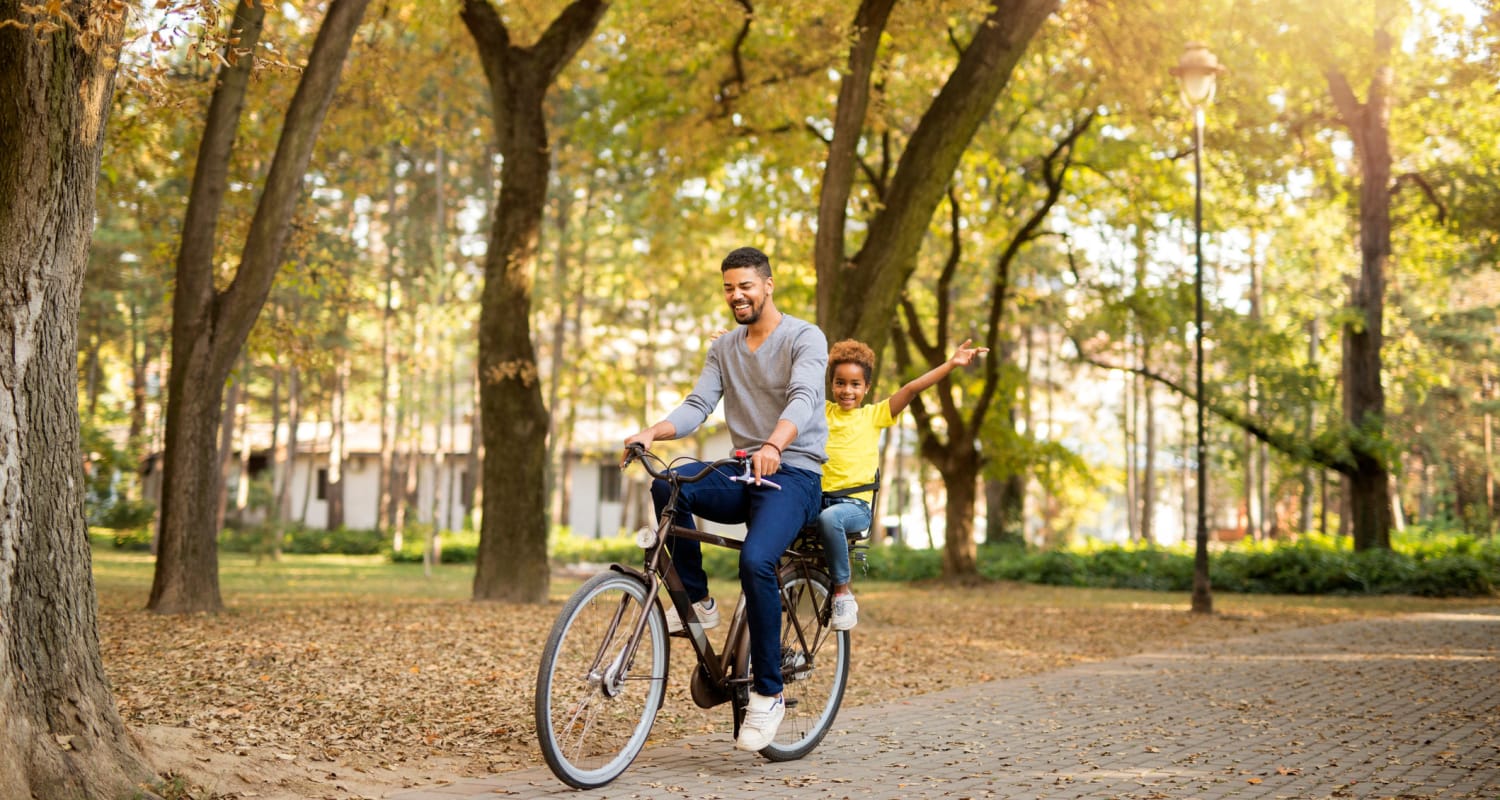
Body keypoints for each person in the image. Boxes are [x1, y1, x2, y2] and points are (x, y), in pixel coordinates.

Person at [623, 246, 828, 753]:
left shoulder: (805, 337)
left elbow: (804, 398)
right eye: (729, 288)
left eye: (746, 286)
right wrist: (653, 431)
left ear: (768, 285)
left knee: (757, 560)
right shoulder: (724, 348)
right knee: (668, 483)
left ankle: (770, 693)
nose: (737, 296)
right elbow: (698, 405)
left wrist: (776, 445)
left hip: (795, 473)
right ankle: (697, 600)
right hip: (743, 471)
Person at [819, 337, 989, 630]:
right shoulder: (820, 410)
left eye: (855, 384)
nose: (847, 390)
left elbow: (912, 389)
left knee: (830, 518)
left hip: (853, 506)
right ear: (831, 384)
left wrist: (951, 364)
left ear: (866, 388)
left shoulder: (873, 416)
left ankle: (843, 593)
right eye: (840, 383)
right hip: (819, 499)